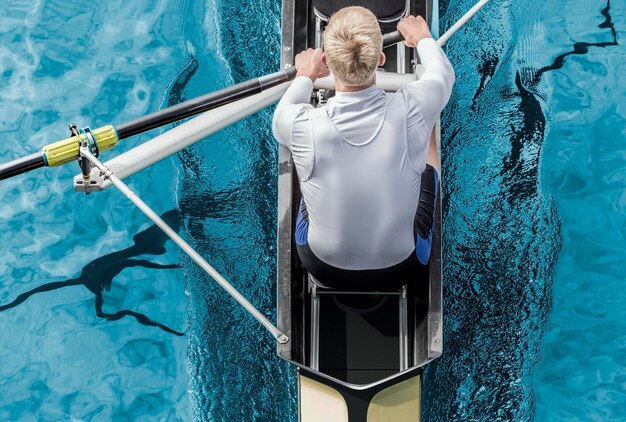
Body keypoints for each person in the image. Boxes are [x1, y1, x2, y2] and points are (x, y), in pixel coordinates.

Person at [272, 7, 455, 289]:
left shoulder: (297, 123)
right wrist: (422, 39)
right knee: (427, 128)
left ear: (328, 64)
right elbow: (442, 75)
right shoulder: (414, 107)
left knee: (303, 157)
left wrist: (305, 75)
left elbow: (282, 113)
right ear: (381, 59)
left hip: (322, 266)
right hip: (403, 267)